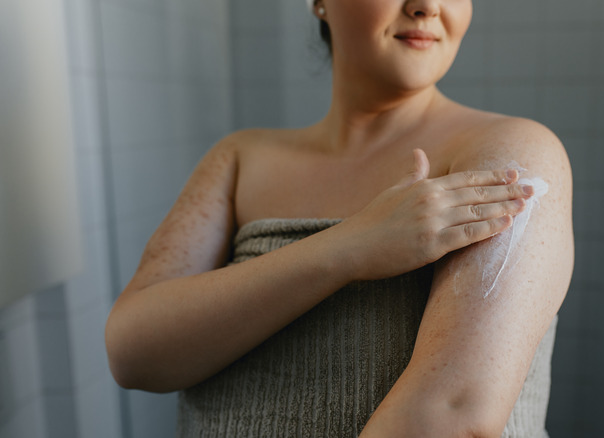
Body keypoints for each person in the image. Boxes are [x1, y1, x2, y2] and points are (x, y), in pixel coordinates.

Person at [105, 0, 574, 436]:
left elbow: (453, 414)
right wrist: (349, 247)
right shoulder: (239, 159)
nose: (427, 6)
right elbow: (133, 355)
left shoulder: (514, 155)